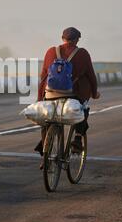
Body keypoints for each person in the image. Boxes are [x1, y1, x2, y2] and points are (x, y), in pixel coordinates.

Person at [35, 27, 100, 162]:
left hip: (50, 94)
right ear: (76, 40)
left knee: (47, 118)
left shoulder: (51, 52)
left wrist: (40, 98)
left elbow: (43, 77)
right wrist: (94, 93)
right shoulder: (82, 54)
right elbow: (91, 77)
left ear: (62, 38)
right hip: (73, 96)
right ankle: (77, 139)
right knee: (83, 110)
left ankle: (45, 146)